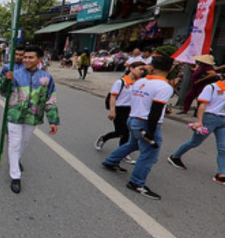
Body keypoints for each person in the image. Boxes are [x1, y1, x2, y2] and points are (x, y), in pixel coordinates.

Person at [101, 55, 174, 200]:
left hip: (133, 118)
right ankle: (136, 182)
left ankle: (111, 161)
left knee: (132, 144)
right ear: (171, 69)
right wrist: (151, 132)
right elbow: (155, 110)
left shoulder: (140, 82)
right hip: (145, 122)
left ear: (151, 67)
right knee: (149, 154)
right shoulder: (164, 87)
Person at [0, 46, 59, 194]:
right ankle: (15, 177)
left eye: (30, 57)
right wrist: (6, 81)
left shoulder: (46, 78)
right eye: (25, 57)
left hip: (33, 116)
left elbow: (50, 99)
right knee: (14, 143)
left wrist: (53, 121)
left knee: (24, 142)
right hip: (15, 114)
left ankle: (15, 160)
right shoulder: (15, 74)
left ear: (39, 59)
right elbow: (3, 92)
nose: (26, 60)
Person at [167, 75, 225, 185]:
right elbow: (202, 105)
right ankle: (175, 156)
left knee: (223, 147)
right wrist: (199, 121)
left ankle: (222, 174)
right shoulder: (212, 87)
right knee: (195, 142)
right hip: (210, 117)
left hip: (223, 120)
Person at [94, 61, 145, 158]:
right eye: (140, 69)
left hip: (132, 110)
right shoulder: (121, 82)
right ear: (131, 68)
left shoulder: (140, 83)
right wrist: (112, 110)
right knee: (120, 132)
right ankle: (104, 138)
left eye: (143, 70)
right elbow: (113, 96)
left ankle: (123, 153)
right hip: (120, 109)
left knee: (128, 133)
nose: (142, 72)